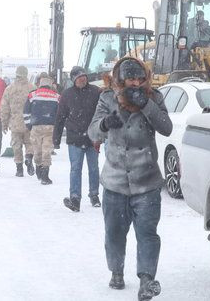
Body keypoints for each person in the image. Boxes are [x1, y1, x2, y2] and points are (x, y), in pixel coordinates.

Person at [88, 57, 172, 300]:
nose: (135, 83)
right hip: (115, 181)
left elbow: (166, 127)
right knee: (114, 232)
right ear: (121, 79)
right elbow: (92, 131)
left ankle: (147, 280)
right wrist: (105, 123)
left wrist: (146, 104)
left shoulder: (154, 97)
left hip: (147, 181)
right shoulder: (106, 98)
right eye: (131, 79)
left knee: (147, 232)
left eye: (140, 79)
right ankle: (116, 270)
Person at [53, 66, 101, 212]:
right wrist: (56, 138)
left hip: (92, 138)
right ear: (74, 80)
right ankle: (75, 198)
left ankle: (94, 195)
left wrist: (102, 133)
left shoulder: (95, 92)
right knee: (75, 169)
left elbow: (102, 113)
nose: (83, 79)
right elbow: (60, 117)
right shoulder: (67, 95)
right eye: (79, 77)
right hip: (75, 138)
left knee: (93, 168)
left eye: (84, 77)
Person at [0, 66, 36, 177]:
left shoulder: (9, 89)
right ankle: (29, 158)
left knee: (16, 146)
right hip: (29, 123)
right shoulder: (33, 88)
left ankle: (19, 169)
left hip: (15, 123)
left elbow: (4, 108)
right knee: (30, 143)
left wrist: (4, 123)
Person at [23, 76, 59, 185]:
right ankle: (45, 175)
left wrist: (29, 125)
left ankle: (38, 168)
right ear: (50, 85)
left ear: (40, 84)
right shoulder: (57, 96)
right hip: (50, 127)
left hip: (36, 126)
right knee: (47, 150)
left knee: (37, 149)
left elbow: (26, 112)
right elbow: (60, 114)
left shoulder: (32, 95)